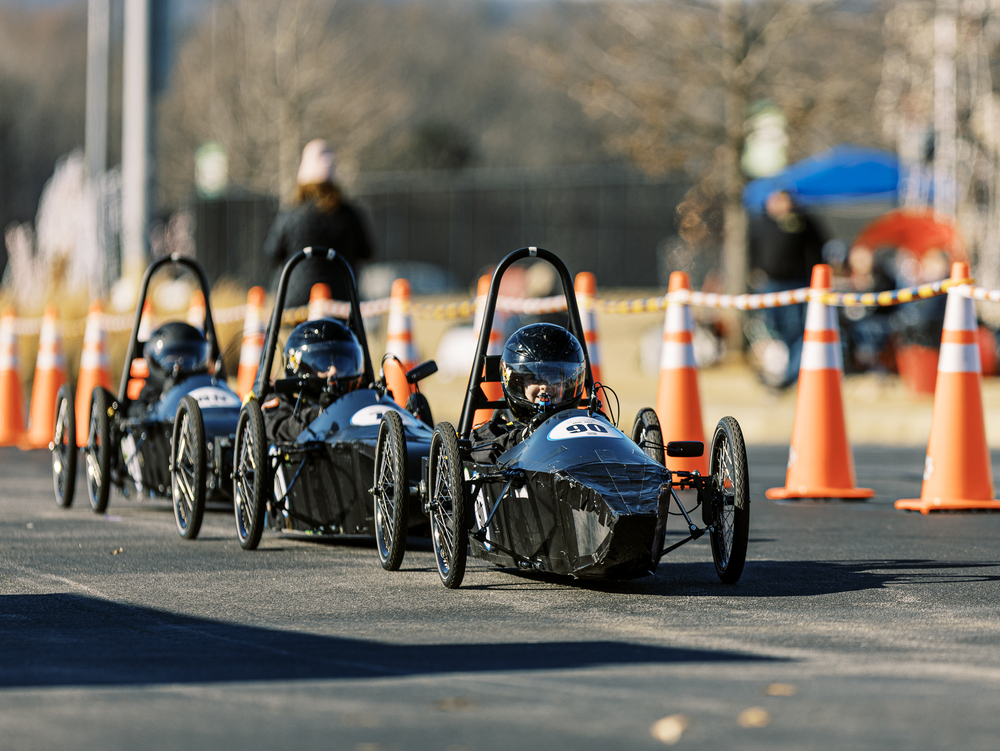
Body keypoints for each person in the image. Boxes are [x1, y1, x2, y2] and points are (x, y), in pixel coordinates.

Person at [263, 139, 374, 307]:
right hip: (341, 301)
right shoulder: (349, 215)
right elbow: (367, 251)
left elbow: (272, 253)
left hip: (296, 302)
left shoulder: (290, 214)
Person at [470, 323, 587, 462]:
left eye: (553, 378)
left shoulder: (584, 423)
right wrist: (525, 436)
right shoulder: (501, 432)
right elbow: (477, 448)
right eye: (535, 379)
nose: (544, 386)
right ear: (518, 384)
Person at [748, 189, 827, 388]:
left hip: (796, 285)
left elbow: (818, 247)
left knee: (795, 330)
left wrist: (816, 277)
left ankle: (792, 375)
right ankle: (777, 372)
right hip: (770, 285)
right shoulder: (759, 224)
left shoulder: (803, 222)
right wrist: (754, 270)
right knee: (772, 330)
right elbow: (752, 249)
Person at [261, 318, 365, 443]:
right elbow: (277, 427)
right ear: (299, 367)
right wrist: (320, 415)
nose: (333, 370)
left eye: (340, 362)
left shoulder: (359, 395)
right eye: (323, 363)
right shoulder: (283, 398)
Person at [132, 322, 212, 413]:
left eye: (186, 356)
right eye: (173, 358)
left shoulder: (209, 382)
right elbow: (136, 414)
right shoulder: (151, 390)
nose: (180, 364)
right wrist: (165, 397)